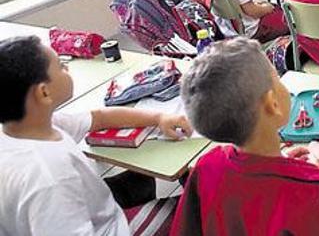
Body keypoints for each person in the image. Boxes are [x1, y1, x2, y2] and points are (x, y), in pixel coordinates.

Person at [171, 38, 319, 236]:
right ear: (272, 103)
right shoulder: (313, 192)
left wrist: (282, 163)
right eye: (278, 78)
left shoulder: (206, 165)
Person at [0, 35, 192, 236]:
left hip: (96, 209)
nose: (67, 69)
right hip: (114, 229)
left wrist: (159, 118)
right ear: (44, 93)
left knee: (144, 176)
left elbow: (99, 118)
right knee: (196, 206)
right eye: (61, 66)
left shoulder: (31, 126)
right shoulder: (49, 177)